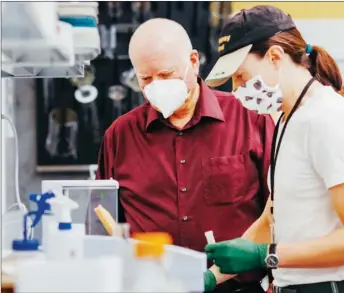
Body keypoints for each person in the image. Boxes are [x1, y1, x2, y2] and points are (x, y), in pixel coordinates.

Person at [94, 18, 275, 293]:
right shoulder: (120, 136)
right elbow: (102, 223)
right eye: (145, 78)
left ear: (193, 61)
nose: (156, 85)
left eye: (166, 74)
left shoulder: (250, 119)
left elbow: (279, 211)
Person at [203, 5, 344, 293]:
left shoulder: (326, 120)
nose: (236, 89)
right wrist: (212, 277)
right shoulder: (286, 119)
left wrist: (265, 254)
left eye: (241, 76)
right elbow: (272, 215)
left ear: (275, 57)